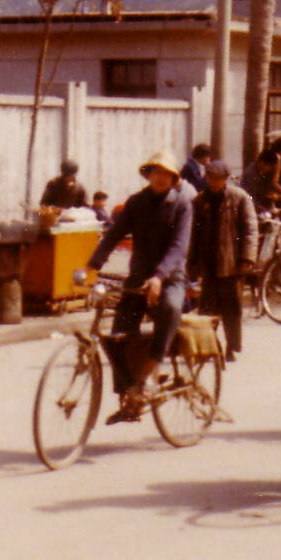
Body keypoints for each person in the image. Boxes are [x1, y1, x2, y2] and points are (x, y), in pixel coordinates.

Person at [85, 150, 193, 424]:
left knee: (169, 308)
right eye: (155, 173)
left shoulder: (182, 205)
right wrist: (93, 265)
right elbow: (114, 234)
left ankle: (154, 365)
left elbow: (179, 247)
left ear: (172, 178)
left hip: (170, 278)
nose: (160, 178)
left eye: (165, 174)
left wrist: (159, 277)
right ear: (148, 175)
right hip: (138, 277)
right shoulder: (136, 203)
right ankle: (128, 395)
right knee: (118, 333)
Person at [188, 160, 257, 361]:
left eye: (218, 178)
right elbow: (192, 233)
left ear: (226, 179)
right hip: (207, 263)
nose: (214, 182)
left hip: (231, 263)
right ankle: (207, 346)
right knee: (207, 308)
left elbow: (250, 229)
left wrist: (247, 258)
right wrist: (191, 264)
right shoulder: (199, 201)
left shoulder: (239, 198)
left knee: (231, 309)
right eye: (210, 177)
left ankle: (231, 347)